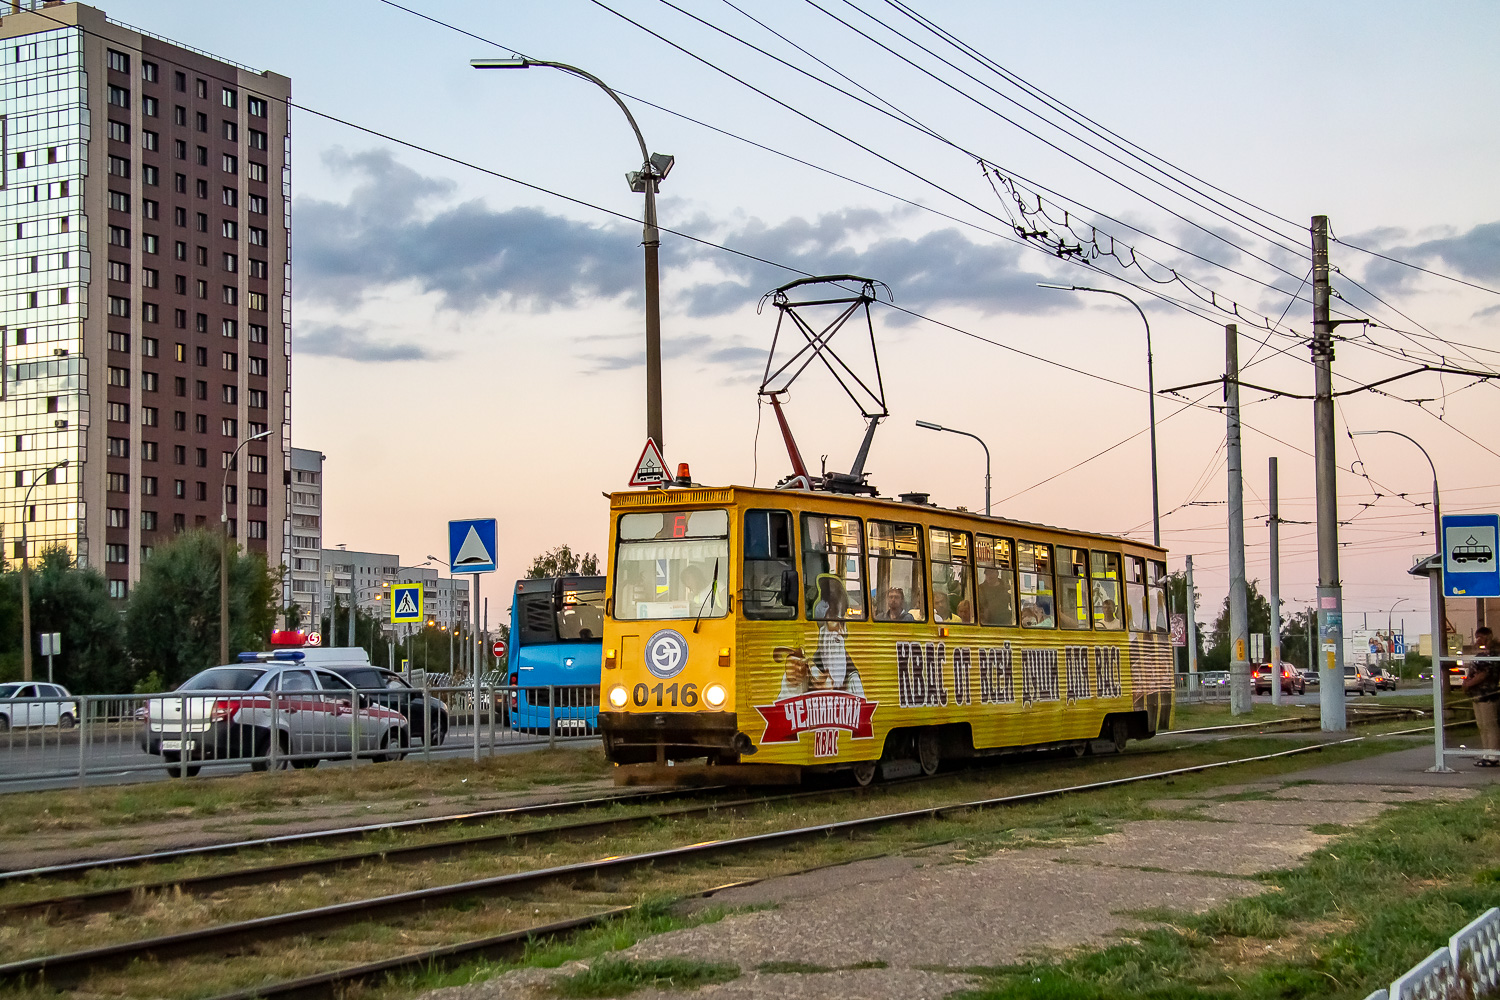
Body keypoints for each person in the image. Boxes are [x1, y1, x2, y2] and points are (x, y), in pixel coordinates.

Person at [1463, 625, 1500, 766]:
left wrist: (1469, 683)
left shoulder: (1493, 653)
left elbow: (1484, 673)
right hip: (1477, 694)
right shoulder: (1480, 653)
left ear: (1488, 637)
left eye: (1481, 637)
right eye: (1477, 637)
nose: (1478, 640)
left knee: (1490, 725)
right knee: (1482, 725)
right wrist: (1467, 683)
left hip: (1487, 693)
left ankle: (1493, 755)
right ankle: (1487, 753)